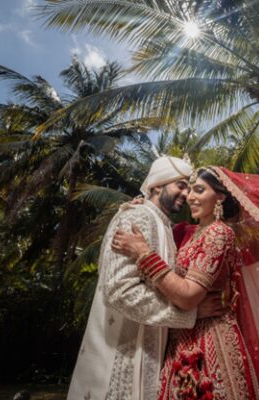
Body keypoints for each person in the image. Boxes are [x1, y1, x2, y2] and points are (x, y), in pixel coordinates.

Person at [68, 156, 222, 400]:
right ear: (157, 186)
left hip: (151, 346)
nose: (186, 194)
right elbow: (119, 291)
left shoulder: (164, 226)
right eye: (180, 185)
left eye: (190, 187)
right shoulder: (137, 216)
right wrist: (188, 315)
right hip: (123, 348)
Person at [112, 167, 259, 400]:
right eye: (189, 190)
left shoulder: (219, 234)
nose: (190, 196)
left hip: (209, 339)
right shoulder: (185, 232)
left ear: (221, 197)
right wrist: (142, 206)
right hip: (181, 336)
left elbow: (187, 296)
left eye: (199, 190)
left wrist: (143, 252)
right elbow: (159, 228)